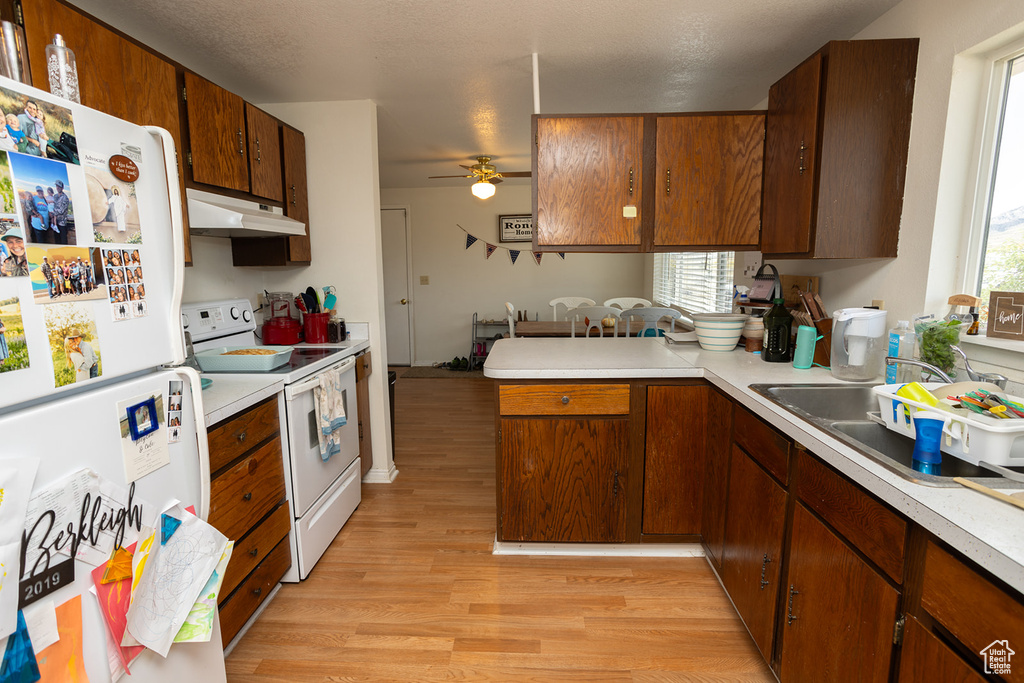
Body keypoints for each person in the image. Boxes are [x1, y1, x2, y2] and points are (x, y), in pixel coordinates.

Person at [51, 181, 70, 245]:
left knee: (63, 241)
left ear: (62, 187)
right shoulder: (55, 196)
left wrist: (53, 213)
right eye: (57, 186)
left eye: (59, 186)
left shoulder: (65, 198)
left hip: (62, 223)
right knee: (57, 240)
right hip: (55, 222)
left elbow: (62, 211)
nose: (58, 187)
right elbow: (53, 206)